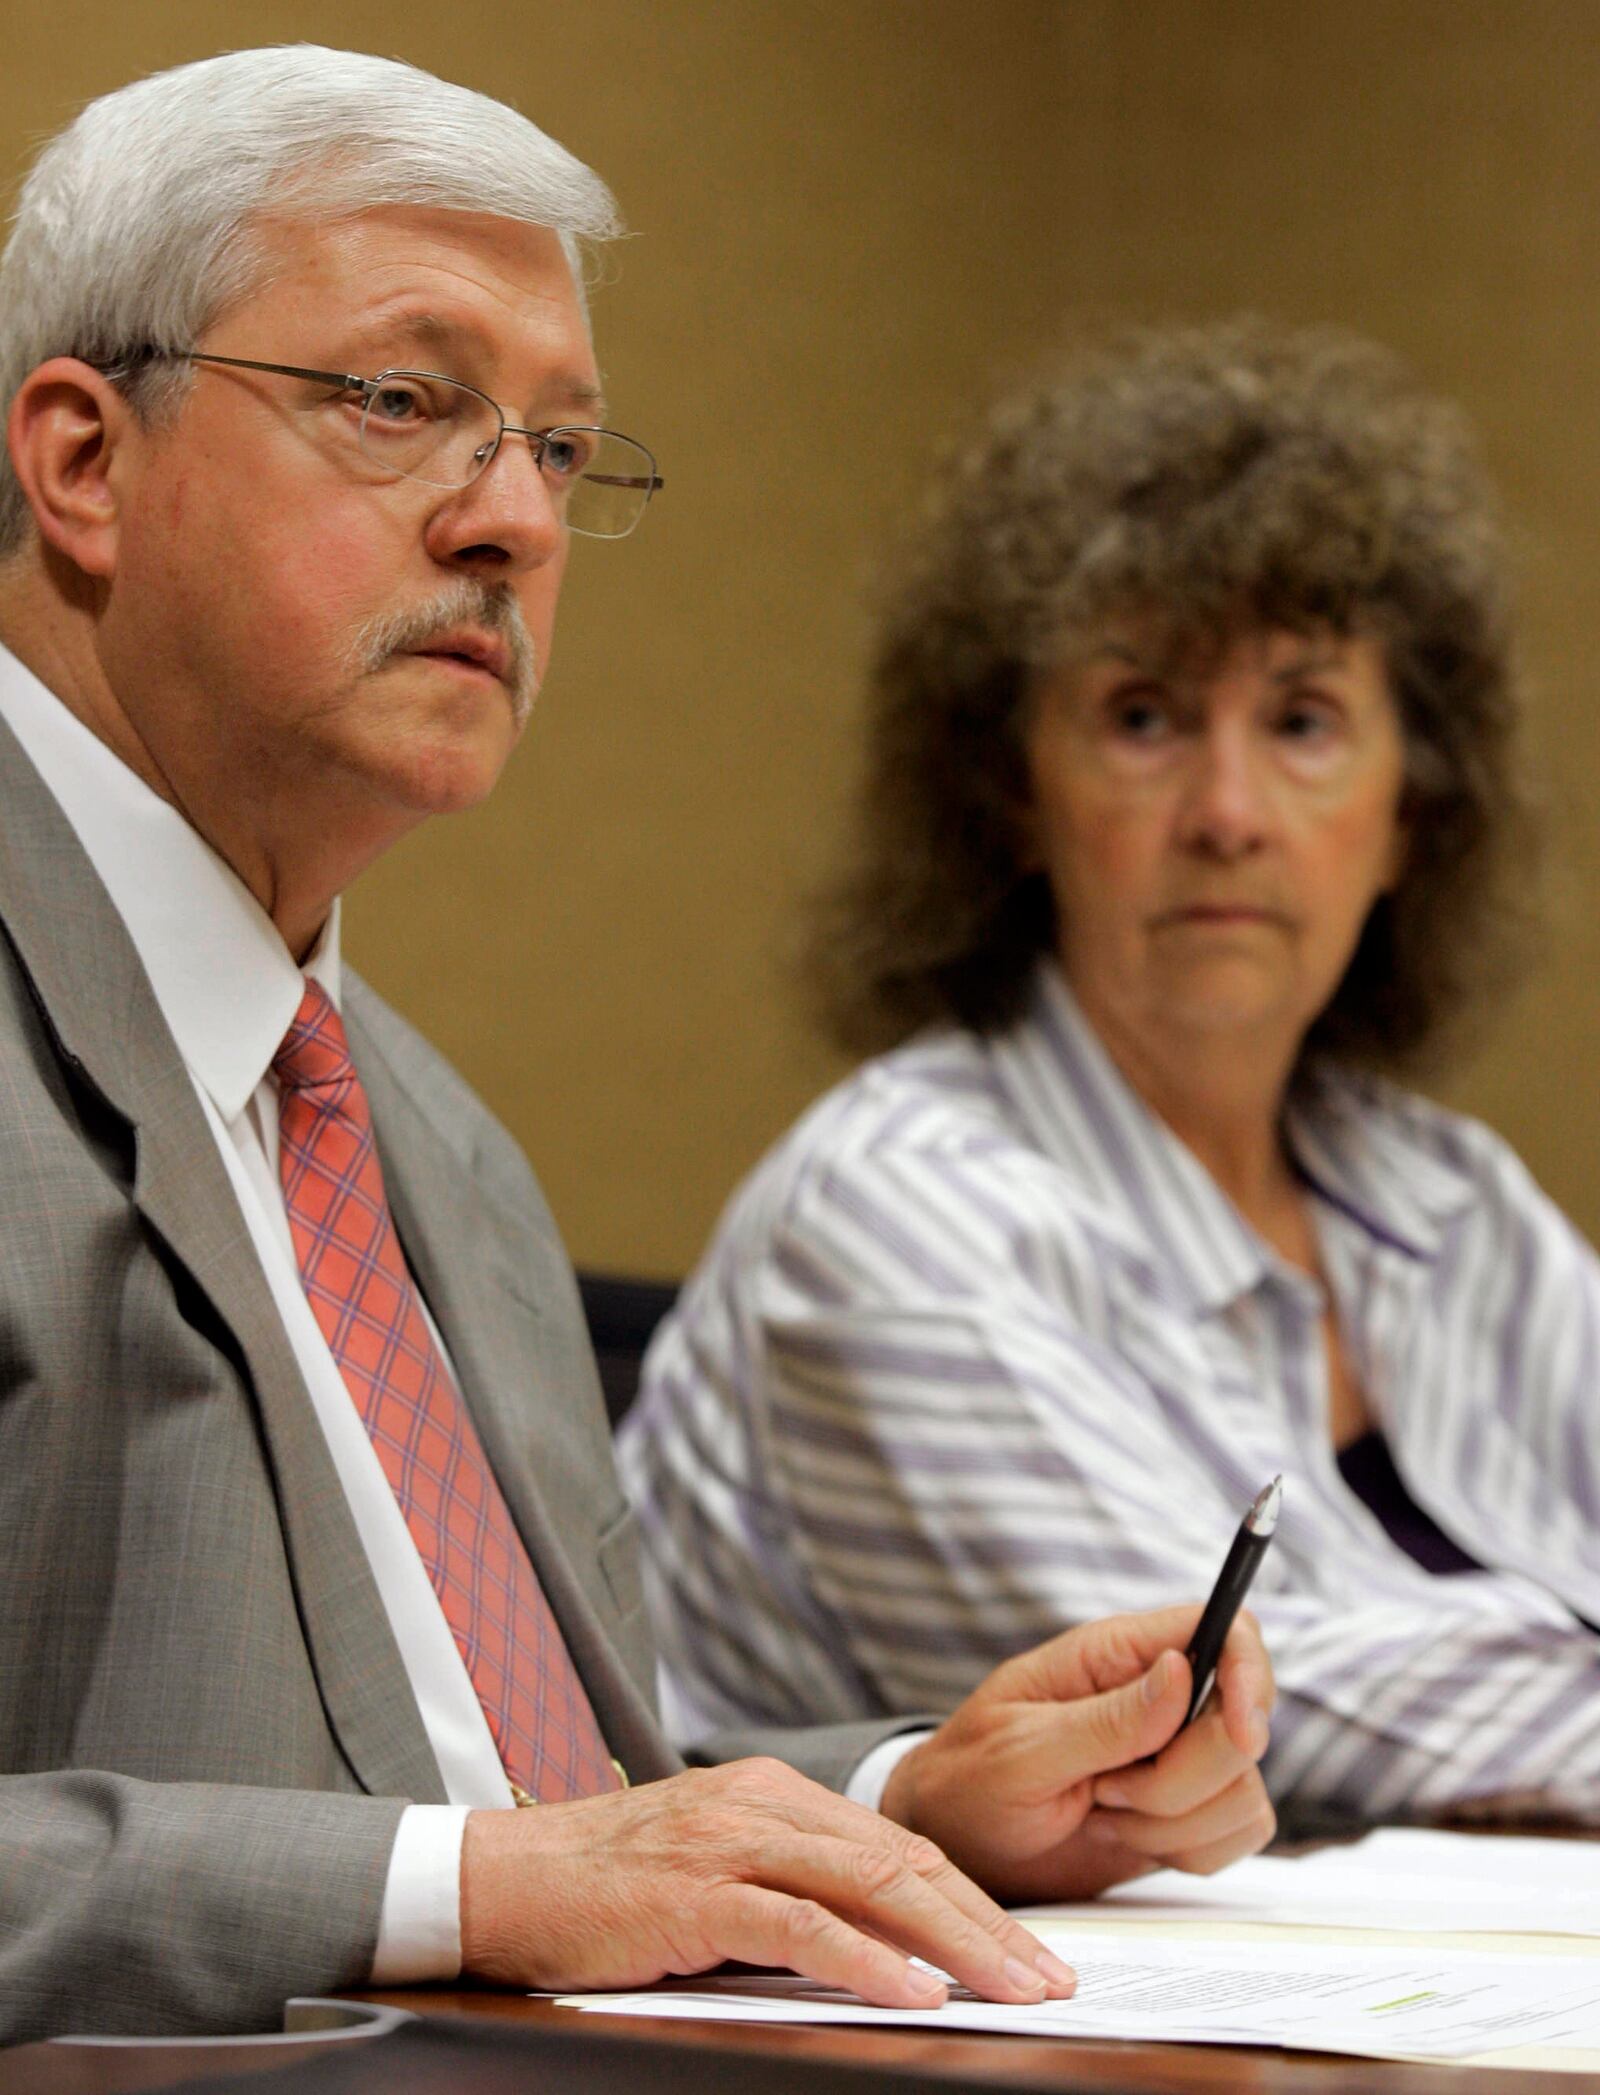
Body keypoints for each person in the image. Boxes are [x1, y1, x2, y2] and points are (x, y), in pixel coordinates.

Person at [0, 53, 1276, 2046]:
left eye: (564, 449)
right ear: (85, 460)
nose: (513, 518)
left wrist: (898, 1796)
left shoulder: (428, 1143)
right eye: (399, 403)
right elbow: (479, 1866)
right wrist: (474, 1888)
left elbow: (527, 1799)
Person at [619, 318, 1600, 1832]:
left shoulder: (1450, 1198)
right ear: (1014, 793)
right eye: (1142, 718)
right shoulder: (894, 1215)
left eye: (1303, 721)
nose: (1227, 810)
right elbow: (1228, 1713)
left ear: (1412, 811)